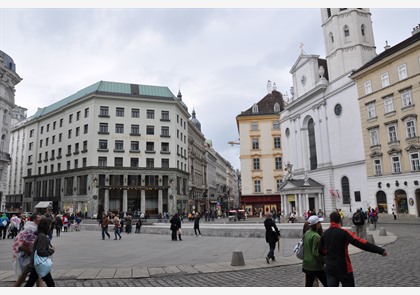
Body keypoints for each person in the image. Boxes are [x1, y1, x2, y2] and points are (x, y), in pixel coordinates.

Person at [320, 211, 387, 287]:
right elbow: (361, 243)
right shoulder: (344, 233)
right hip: (343, 267)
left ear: (330, 220)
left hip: (330, 268)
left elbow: (321, 251)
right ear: (340, 220)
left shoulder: (324, 234)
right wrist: (380, 250)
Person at [12, 213, 44, 287]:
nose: (41, 221)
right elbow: (23, 245)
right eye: (39, 219)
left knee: (37, 277)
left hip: (30, 258)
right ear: (34, 220)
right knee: (24, 278)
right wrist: (32, 254)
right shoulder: (31, 229)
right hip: (28, 258)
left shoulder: (33, 228)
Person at [24, 216, 56, 287]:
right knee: (51, 284)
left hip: (37, 265)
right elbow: (40, 252)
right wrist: (51, 251)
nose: (51, 226)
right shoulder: (42, 236)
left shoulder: (40, 235)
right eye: (50, 224)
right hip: (40, 265)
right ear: (46, 226)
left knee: (30, 283)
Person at [302, 215, 327, 287]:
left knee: (308, 285)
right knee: (327, 283)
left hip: (307, 264)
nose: (320, 224)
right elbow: (316, 253)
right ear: (316, 224)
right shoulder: (316, 236)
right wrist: (324, 261)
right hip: (315, 266)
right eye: (319, 222)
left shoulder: (307, 233)